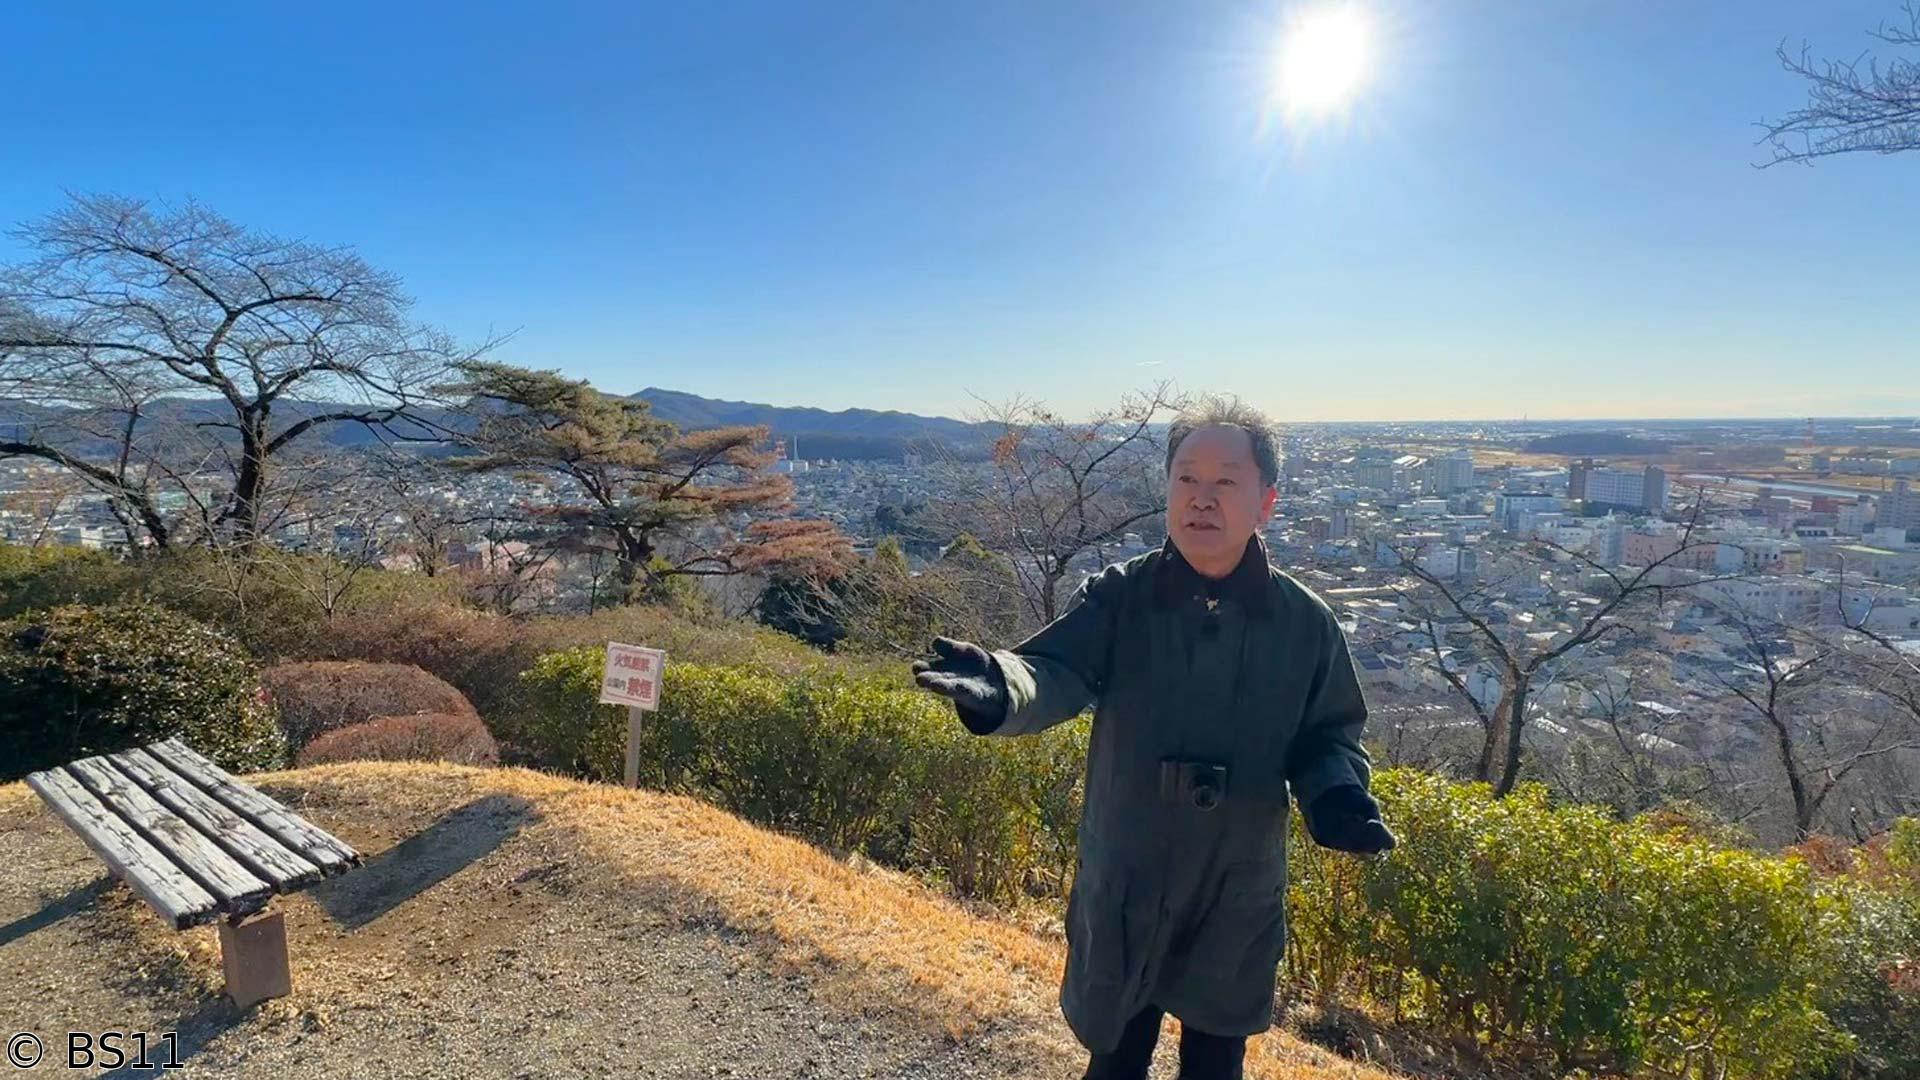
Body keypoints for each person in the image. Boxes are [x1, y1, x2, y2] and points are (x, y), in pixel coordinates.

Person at [913, 398, 1394, 1080]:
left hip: (1235, 882)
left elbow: (1329, 734)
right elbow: (1054, 668)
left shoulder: (1304, 624)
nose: (1202, 498)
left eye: (1225, 481)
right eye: (1186, 479)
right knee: (1114, 1059)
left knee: (1215, 1065)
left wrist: (1336, 797)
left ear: (1266, 502)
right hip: (1129, 875)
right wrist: (1001, 685)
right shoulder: (1122, 597)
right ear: (1166, 490)